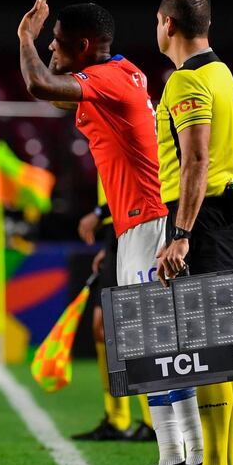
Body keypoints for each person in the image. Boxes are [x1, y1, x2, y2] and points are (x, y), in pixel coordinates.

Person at [17, 0, 203, 465]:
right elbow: (57, 92)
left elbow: (39, 84)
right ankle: (174, 463)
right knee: (151, 350)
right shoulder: (119, 72)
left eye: (56, 44)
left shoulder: (110, 79)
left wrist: (23, 39)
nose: (50, 51)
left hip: (147, 224)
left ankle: (192, 464)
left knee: (160, 350)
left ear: (82, 47)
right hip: (134, 225)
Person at [151, 0, 233, 465]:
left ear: (168, 23)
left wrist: (181, 234)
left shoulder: (187, 81)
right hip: (226, 212)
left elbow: (195, 160)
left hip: (203, 219)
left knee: (207, 354)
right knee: (222, 354)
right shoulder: (222, 73)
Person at [70, 178, 155, 442]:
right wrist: (109, 245)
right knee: (103, 327)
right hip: (117, 229)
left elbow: (138, 175)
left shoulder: (116, 134)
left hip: (137, 224)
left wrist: (98, 213)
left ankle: (156, 420)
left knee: (133, 325)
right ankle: (118, 419)